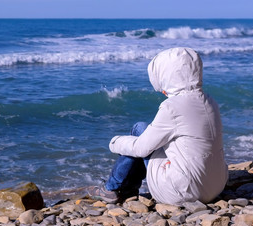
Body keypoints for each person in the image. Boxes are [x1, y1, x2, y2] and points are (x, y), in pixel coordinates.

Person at [88, 47, 228, 205]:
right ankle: (126, 188)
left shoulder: (173, 107)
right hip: (216, 185)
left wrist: (114, 142)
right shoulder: (210, 101)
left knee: (139, 129)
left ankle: (111, 188)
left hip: (184, 191)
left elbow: (141, 148)